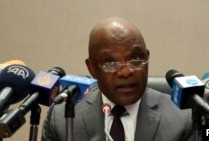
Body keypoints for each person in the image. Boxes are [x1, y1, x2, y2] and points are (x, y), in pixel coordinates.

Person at [41, 17, 194, 141]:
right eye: (110, 62)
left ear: (147, 57)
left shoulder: (183, 118)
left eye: (135, 58)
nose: (125, 72)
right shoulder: (62, 118)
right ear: (92, 68)